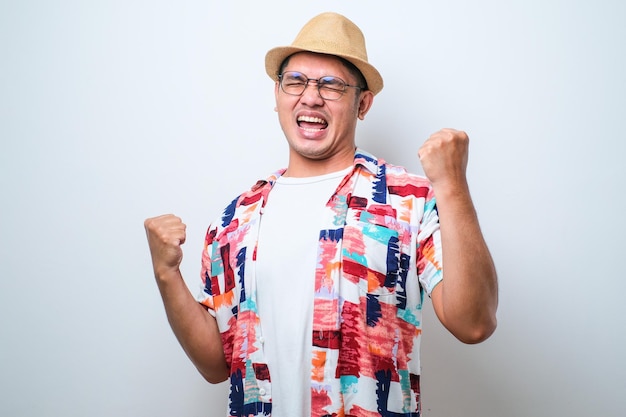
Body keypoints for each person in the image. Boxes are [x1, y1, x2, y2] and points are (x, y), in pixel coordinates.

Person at [144, 11, 498, 417]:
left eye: (331, 85)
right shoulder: (235, 220)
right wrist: (166, 275)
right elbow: (216, 365)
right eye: (296, 81)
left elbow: (474, 323)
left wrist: (452, 185)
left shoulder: (406, 198)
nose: (310, 97)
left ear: (362, 103)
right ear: (277, 95)